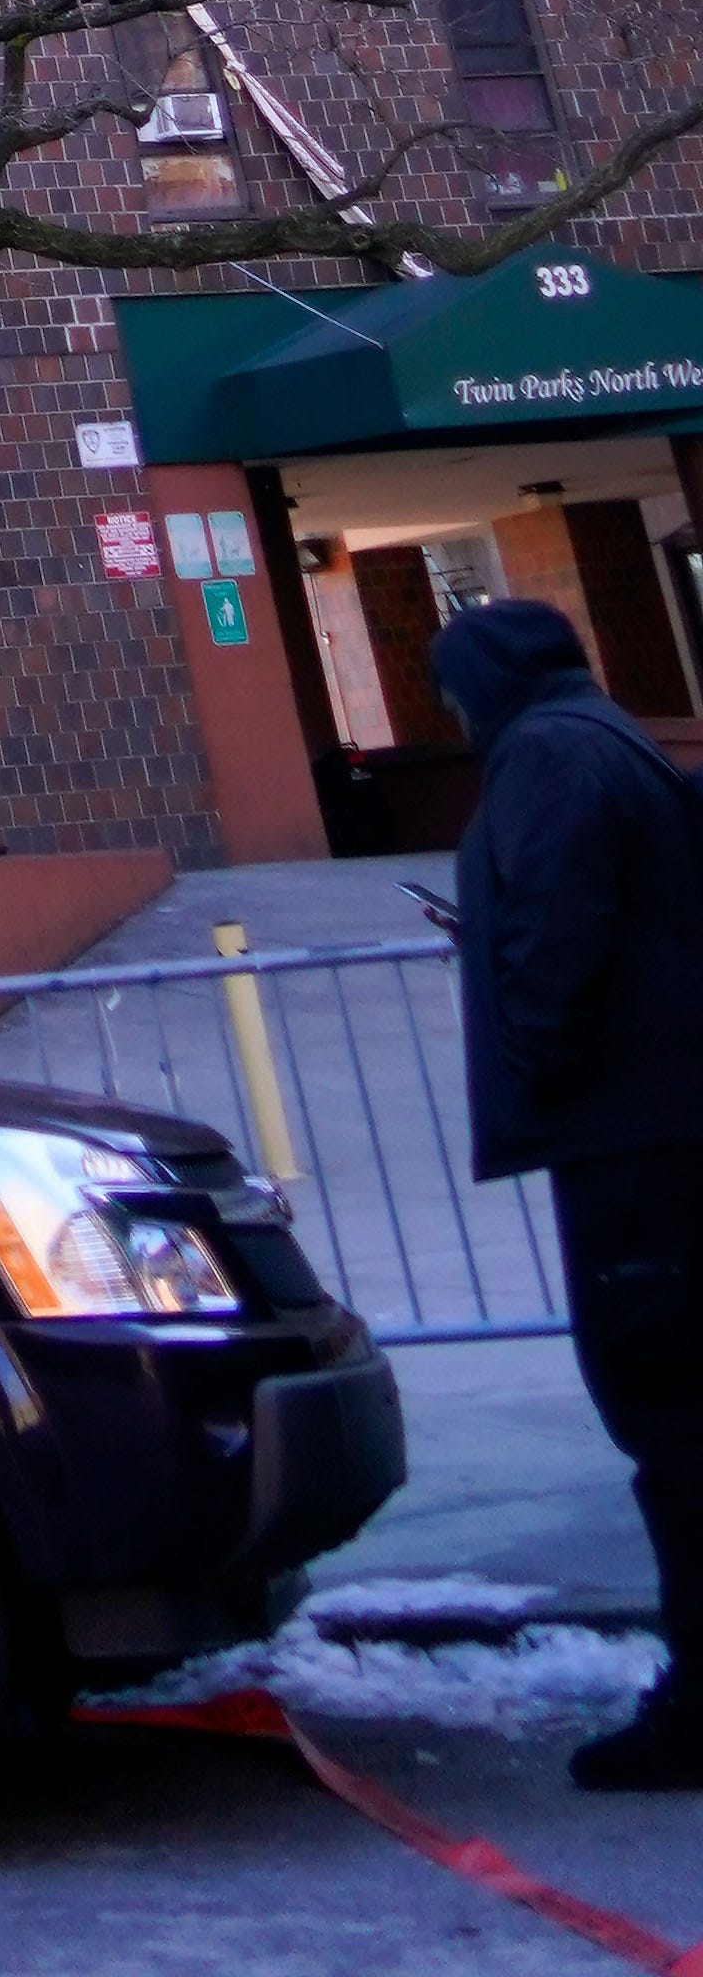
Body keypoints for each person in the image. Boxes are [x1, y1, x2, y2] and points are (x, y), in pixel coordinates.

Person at [431, 592, 703, 1789]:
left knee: (668, 1419)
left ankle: (701, 1701)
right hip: (660, 1121)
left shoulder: (544, 755)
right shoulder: (611, 737)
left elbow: (559, 925)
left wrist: (532, 1049)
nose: (451, 716)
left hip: (630, 1138)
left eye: (452, 693)